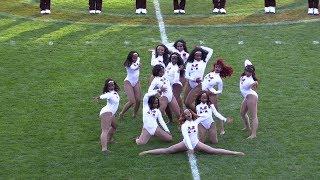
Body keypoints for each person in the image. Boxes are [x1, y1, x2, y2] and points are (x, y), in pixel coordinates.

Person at [139, 109, 244, 156]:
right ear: (184, 116)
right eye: (185, 114)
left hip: (196, 143)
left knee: (213, 151)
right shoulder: (184, 125)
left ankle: (234, 153)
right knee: (168, 150)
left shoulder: (196, 121)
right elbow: (186, 137)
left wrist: (225, 120)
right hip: (186, 143)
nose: (188, 114)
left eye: (189, 112)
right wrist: (190, 148)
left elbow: (206, 116)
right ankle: (147, 152)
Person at [202, 59, 233, 135]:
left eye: (219, 67)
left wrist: (213, 92)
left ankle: (222, 129)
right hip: (203, 93)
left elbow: (220, 90)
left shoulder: (219, 80)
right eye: (216, 67)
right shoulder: (209, 73)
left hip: (211, 95)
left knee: (216, 111)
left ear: (221, 69)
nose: (217, 68)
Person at [94, 79, 120, 154]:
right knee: (105, 130)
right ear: (107, 87)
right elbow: (104, 96)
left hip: (111, 113)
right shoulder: (109, 94)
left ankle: (109, 140)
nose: (112, 86)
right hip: (106, 113)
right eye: (109, 85)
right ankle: (104, 149)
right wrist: (98, 97)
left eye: (112, 84)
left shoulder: (114, 92)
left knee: (114, 126)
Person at [184, 46, 213, 112]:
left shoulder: (204, 62)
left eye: (200, 56)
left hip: (198, 85)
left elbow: (210, 50)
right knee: (185, 103)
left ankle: (201, 115)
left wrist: (199, 47)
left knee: (188, 103)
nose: (199, 57)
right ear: (194, 55)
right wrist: (193, 79)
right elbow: (186, 75)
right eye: (197, 55)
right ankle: (193, 116)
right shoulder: (189, 63)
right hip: (190, 83)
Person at [240, 60, 259, 139]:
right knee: (242, 113)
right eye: (247, 71)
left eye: (250, 72)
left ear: (252, 73)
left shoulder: (250, 81)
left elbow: (253, 84)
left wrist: (256, 83)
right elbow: (246, 60)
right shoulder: (244, 76)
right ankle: (247, 127)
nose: (248, 73)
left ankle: (253, 134)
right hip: (247, 97)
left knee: (254, 116)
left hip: (251, 97)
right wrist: (249, 65)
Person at [119, 51, 141, 119]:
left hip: (136, 82)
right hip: (128, 82)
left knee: (138, 100)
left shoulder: (138, 59)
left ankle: (135, 113)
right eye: (134, 58)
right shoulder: (127, 64)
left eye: (136, 57)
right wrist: (138, 66)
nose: (135, 59)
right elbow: (133, 68)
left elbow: (138, 59)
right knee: (132, 101)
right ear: (130, 57)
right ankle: (121, 113)